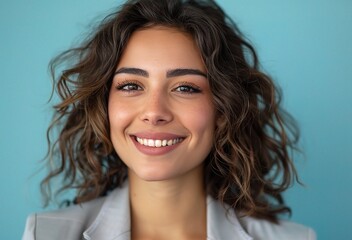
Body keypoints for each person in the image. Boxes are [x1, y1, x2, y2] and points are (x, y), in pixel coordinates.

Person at [22, 0, 316, 239]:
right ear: (104, 106)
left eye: (185, 88)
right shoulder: (45, 234)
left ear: (224, 110)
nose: (154, 112)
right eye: (131, 86)